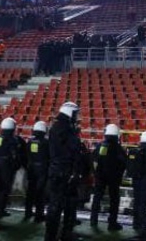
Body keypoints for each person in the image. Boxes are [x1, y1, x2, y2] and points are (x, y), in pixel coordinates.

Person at [45, 102, 82, 241]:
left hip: (59, 170)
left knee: (62, 204)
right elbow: (74, 150)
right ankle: (57, 235)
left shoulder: (59, 126)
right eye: (75, 113)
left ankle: (57, 235)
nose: (77, 116)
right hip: (64, 172)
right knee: (61, 206)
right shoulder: (65, 128)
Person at [89, 124, 127, 231]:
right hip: (113, 178)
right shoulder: (118, 148)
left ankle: (93, 220)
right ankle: (112, 223)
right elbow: (124, 163)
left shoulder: (100, 146)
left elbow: (93, 160)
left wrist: (96, 174)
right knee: (114, 200)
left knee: (97, 198)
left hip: (100, 177)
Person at [0, 117, 26, 217]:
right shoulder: (13, 140)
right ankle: (0, 210)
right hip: (7, 166)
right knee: (5, 189)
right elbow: (15, 154)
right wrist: (16, 165)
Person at [25, 121, 49, 222]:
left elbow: (26, 155)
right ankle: (39, 215)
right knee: (40, 192)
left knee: (30, 191)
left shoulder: (30, 141)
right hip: (42, 169)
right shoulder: (46, 142)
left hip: (31, 168)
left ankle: (28, 212)